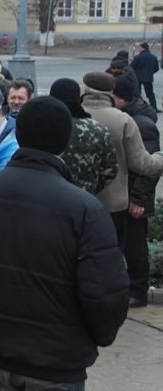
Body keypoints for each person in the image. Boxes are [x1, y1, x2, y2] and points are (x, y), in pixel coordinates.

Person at [0, 96, 130, 389]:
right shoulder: (84, 209)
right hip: (56, 360)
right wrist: (96, 337)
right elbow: (105, 292)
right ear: (64, 143)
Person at [80, 71, 163, 243]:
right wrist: (160, 158)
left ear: (86, 88)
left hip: (76, 201)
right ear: (111, 91)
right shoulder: (122, 119)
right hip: (113, 204)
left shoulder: (70, 115)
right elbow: (141, 164)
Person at [112, 75, 160, 307]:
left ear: (120, 99)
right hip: (123, 195)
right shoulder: (128, 118)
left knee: (134, 246)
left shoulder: (142, 124)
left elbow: (150, 168)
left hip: (135, 198)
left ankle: (138, 291)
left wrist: (139, 199)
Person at [49, 78, 118, 197]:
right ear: (78, 98)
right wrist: (90, 187)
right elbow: (110, 170)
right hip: (84, 197)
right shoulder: (98, 129)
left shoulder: (43, 126)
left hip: (47, 196)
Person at [130, 42, 160, 112]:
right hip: (148, 78)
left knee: (138, 93)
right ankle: (154, 108)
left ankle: (139, 107)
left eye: (139, 48)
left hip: (138, 78)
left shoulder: (138, 57)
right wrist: (150, 73)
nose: (139, 49)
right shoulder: (153, 57)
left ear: (143, 48)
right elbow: (156, 68)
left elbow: (131, 67)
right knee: (150, 94)